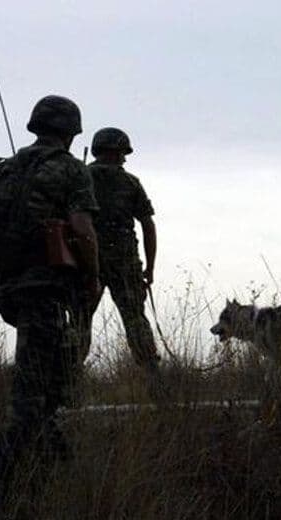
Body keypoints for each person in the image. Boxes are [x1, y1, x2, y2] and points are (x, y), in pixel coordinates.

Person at [0, 95, 100, 512]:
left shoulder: (5, 168)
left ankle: (55, 467)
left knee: (53, 383)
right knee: (31, 397)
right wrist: (92, 275)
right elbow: (82, 227)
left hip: (8, 290)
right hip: (45, 292)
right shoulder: (71, 170)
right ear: (70, 132)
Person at [85, 127, 166, 399]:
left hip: (88, 258)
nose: (124, 158)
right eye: (122, 152)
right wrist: (150, 268)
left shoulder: (81, 177)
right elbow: (148, 225)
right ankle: (155, 382)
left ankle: (66, 384)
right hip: (124, 260)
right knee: (135, 319)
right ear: (114, 152)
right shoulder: (131, 183)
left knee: (80, 320)